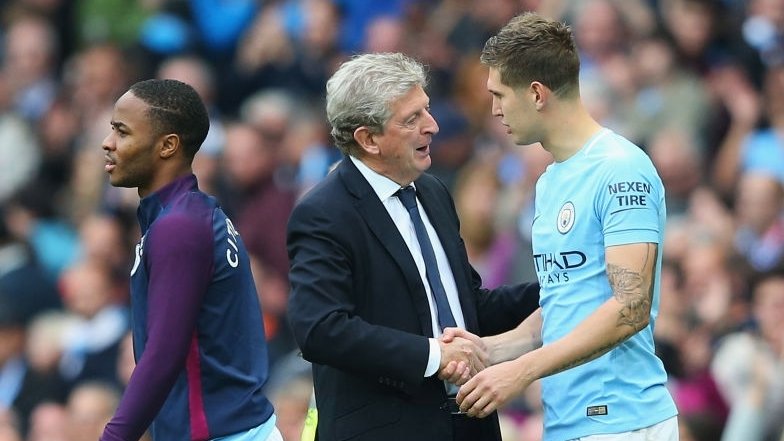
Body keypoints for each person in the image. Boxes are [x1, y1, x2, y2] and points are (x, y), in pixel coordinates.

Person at [286, 52, 540, 441]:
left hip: (470, 422)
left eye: (427, 110)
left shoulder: (433, 191)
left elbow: (467, 306)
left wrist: (557, 288)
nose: (433, 126)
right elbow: (321, 329)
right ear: (367, 139)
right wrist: (434, 356)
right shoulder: (324, 213)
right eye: (412, 119)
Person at [452, 12, 679, 441]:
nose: (495, 110)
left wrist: (522, 371)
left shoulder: (621, 168)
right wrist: (492, 349)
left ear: (537, 94)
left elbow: (629, 308)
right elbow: (567, 300)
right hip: (567, 423)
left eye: (499, 95)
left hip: (623, 420)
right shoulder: (551, 180)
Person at [98, 79, 281, 441]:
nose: (108, 143)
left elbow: (164, 354)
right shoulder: (188, 215)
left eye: (122, 131)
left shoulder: (178, 228)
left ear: (167, 146)